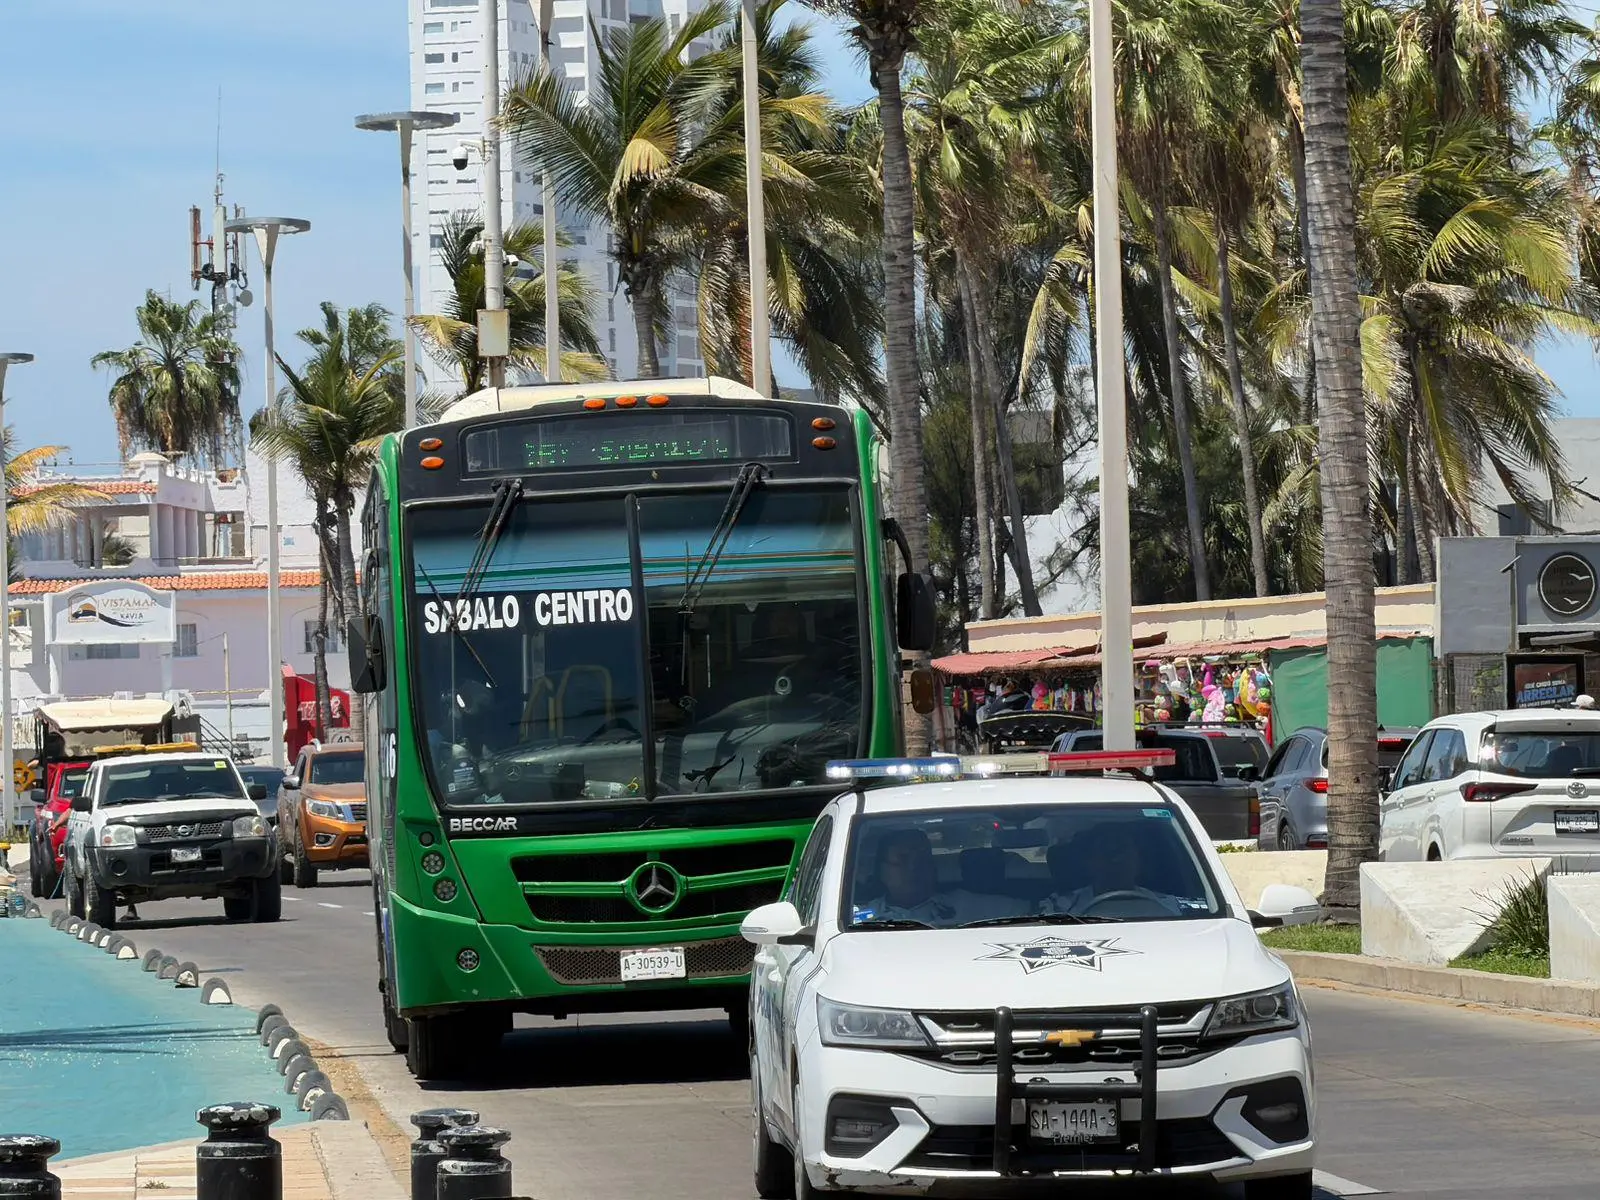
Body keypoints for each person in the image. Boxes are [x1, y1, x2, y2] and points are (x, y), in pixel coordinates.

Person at [853, 828, 1018, 926]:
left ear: (933, 867)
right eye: (902, 859)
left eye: (922, 858)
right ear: (881, 870)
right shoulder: (858, 918)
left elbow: (1030, 915)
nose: (914, 867)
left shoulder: (969, 905)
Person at [1040, 823, 1182, 917]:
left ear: (1139, 860)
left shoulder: (1172, 906)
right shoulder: (1059, 906)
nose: (1116, 860)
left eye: (1122, 850)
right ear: (1089, 862)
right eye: (1107, 852)